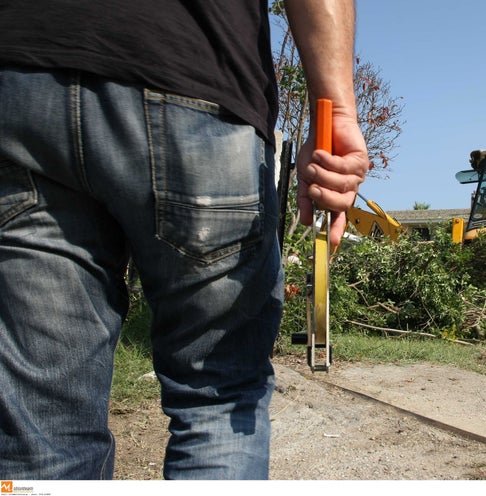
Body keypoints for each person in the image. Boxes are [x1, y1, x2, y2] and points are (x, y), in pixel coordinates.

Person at [0, 0, 368, 480]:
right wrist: (337, 106)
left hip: (22, 82)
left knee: (40, 421)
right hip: (193, 74)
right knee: (217, 397)